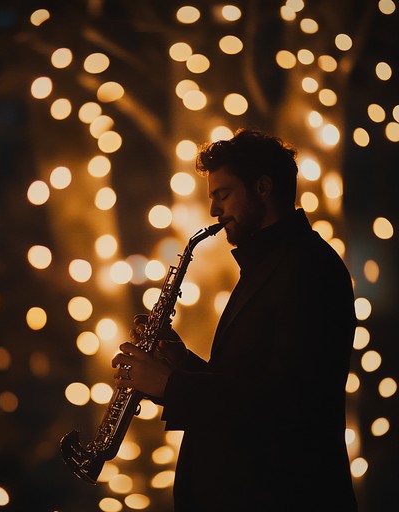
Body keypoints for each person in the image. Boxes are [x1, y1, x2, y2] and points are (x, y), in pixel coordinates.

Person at [112, 128, 358, 511]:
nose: (214, 211)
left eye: (222, 195)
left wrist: (171, 385)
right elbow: (246, 383)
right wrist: (180, 362)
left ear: (262, 187)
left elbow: (289, 408)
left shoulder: (309, 268)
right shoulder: (269, 264)